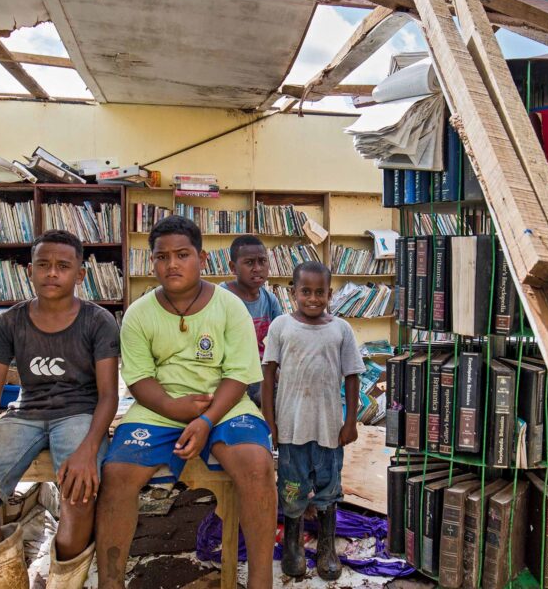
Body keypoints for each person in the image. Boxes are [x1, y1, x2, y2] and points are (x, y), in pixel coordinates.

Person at [96, 216, 276, 589]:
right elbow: (139, 378)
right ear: (152, 263)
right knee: (116, 475)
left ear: (202, 258)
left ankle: (261, 580)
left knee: (258, 465)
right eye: (162, 257)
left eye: (182, 254)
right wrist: (177, 410)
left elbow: (239, 374)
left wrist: (207, 420)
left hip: (225, 404)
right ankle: (110, 582)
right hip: (159, 407)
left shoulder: (229, 306)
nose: (172, 264)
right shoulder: (139, 313)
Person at [0, 230, 120, 589]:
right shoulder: (10, 322)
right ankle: (5, 583)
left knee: (79, 492)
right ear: (30, 270)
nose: (52, 273)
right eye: (43, 265)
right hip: (25, 414)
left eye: (62, 266)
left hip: (79, 413)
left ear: (80, 275)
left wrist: (88, 450)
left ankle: (62, 583)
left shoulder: (98, 321)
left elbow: (108, 395)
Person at [261, 261, 365, 580]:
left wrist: (350, 423)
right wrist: (270, 422)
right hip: (291, 429)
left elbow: (352, 376)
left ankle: (326, 546)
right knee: (292, 488)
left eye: (320, 292)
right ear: (293, 293)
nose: (313, 299)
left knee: (328, 487)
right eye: (305, 291)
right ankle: (293, 544)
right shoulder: (280, 326)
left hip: (329, 429)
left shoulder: (341, 329)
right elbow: (267, 377)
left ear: (330, 294)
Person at [219, 234, 282, 407]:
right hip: (230, 376)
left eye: (262, 261)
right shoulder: (220, 298)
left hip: (264, 375)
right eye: (249, 263)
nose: (257, 268)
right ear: (233, 267)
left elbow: (280, 344)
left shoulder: (270, 300)